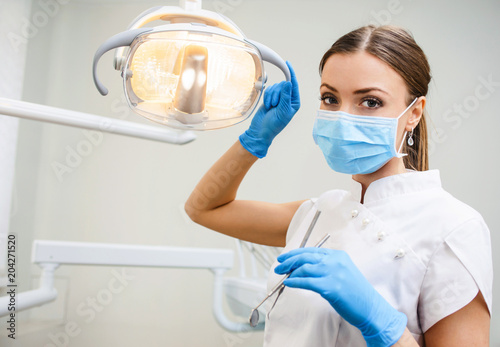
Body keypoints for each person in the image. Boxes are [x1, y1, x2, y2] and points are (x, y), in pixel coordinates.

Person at [185, 25, 492, 346]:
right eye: (330, 98)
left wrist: (383, 324)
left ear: (413, 113)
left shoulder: (453, 229)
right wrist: (254, 141)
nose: (343, 116)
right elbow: (204, 208)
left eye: (370, 102)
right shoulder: (320, 212)